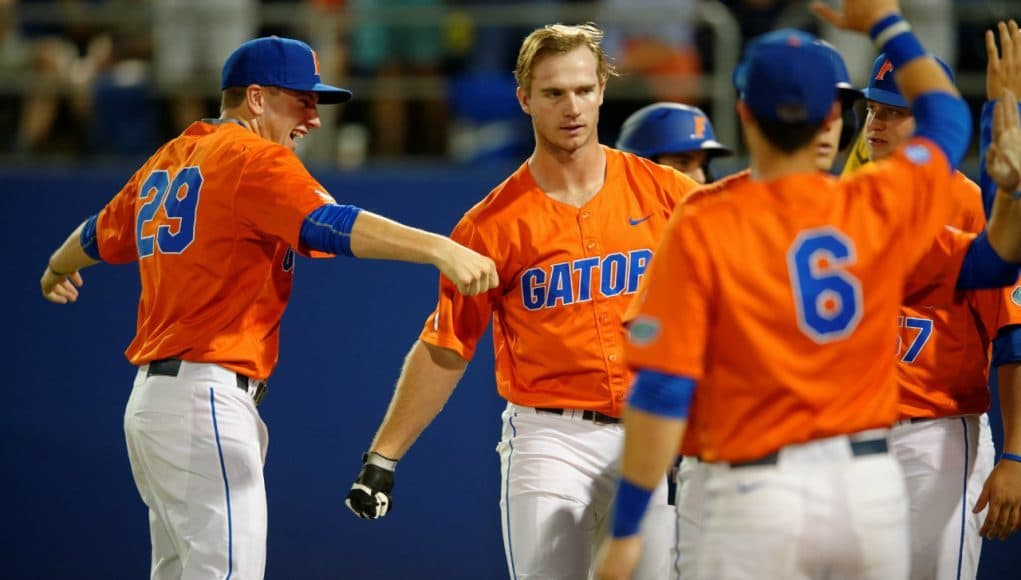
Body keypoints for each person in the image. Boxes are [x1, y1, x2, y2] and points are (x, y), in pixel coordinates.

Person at [38, 36, 498, 579]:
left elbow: (95, 236)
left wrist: (57, 267)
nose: (314, 118)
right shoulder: (251, 157)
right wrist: (440, 248)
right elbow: (329, 225)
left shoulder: (173, 157)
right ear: (256, 99)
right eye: (302, 100)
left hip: (157, 403)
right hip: (203, 397)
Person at [595, 0, 1021, 576]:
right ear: (832, 121)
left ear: (743, 114)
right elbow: (949, 125)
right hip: (867, 490)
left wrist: (625, 531)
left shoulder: (704, 220)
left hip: (757, 491)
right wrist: (885, 23)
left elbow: (662, 391)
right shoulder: (875, 209)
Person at [344, 23, 700, 579]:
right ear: (525, 99)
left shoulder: (668, 194)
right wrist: (382, 458)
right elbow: (448, 344)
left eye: (584, 89)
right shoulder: (492, 224)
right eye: (554, 92)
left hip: (648, 429)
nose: (572, 106)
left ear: (603, 89)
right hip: (550, 438)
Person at [849, 45, 1021, 579]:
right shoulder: (844, 200)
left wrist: (1015, 455)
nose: (877, 122)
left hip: (935, 432)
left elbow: (1013, 337)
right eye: (874, 109)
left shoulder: (970, 204)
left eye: (896, 112)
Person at [615, 103, 733, 185]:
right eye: (683, 162)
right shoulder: (608, 215)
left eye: (703, 166)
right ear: (638, 167)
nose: (700, 178)